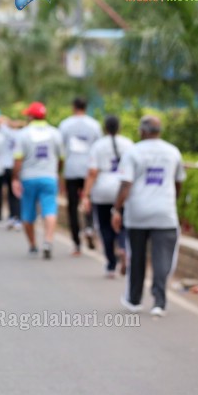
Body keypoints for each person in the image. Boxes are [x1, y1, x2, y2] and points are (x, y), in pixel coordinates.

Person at [112, 116, 185, 317]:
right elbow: (178, 182)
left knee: (137, 256)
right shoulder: (172, 152)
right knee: (163, 259)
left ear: (142, 131)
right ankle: (159, 302)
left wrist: (116, 210)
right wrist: (171, 200)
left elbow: (125, 185)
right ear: (159, 131)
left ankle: (134, 300)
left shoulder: (133, 152)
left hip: (137, 213)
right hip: (165, 213)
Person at [82, 115, 134, 278]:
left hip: (102, 191)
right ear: (119, 127)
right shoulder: (129, 144)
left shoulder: (98, 146)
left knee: (105, 227)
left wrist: (86, 195)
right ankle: (123, 248)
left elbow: (92, 172)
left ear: (105, 128)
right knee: (124, 225)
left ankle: (111, 264)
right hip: (123, 189)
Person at [12, 102, 64, 259]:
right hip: (49, 177)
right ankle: (48, 240)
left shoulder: (23, 134)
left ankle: (33, 245)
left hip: (28, 178)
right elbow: (61, 158)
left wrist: (15, 177)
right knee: (49, 210)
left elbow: (18, 160)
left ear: (30, 116)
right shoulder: (55, 133)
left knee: (27, 213)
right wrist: (57, 172)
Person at [59, 97, 103, 254]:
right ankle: (90, 227)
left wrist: (60, 173)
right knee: (88, 200)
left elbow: (60, 150)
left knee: (72, 207)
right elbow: (99, 148)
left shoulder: (65, 124)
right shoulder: (94, 125)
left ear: (73, 107)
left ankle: (76, 243)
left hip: (71, 169)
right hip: (89, 170)